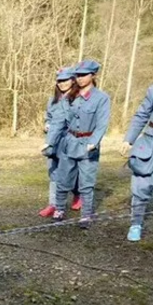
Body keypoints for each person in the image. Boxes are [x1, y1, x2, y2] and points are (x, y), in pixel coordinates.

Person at [44, 59, 111, 229]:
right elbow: (58, 121)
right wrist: (49, 142)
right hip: (69, 142)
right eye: (78, 75)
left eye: (83, 75)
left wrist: (94, 142)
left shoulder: (101, 98)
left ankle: (86, 215)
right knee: (63, 179)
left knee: (86, 183)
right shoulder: (69, 97)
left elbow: (102, 123)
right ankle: (59, 209)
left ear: (93, 75)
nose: (80, 79)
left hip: (88, 145)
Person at [119, 54, 153, 241]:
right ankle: (136, 223)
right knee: (141, 184)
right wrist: (129, 140)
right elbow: (141, 115)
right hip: (150, 142)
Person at [39, 67, 82, 217]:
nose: (62, 83)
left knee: (70, 172)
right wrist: (47, 124)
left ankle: (78, 194)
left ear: (73, 80)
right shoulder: (53, 100)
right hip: (53, 141)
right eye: (59, 81)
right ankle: (53, 204)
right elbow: (49, 117)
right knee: (53, 172)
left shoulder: (77, 99)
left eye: (65, 80)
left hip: (71, 141)